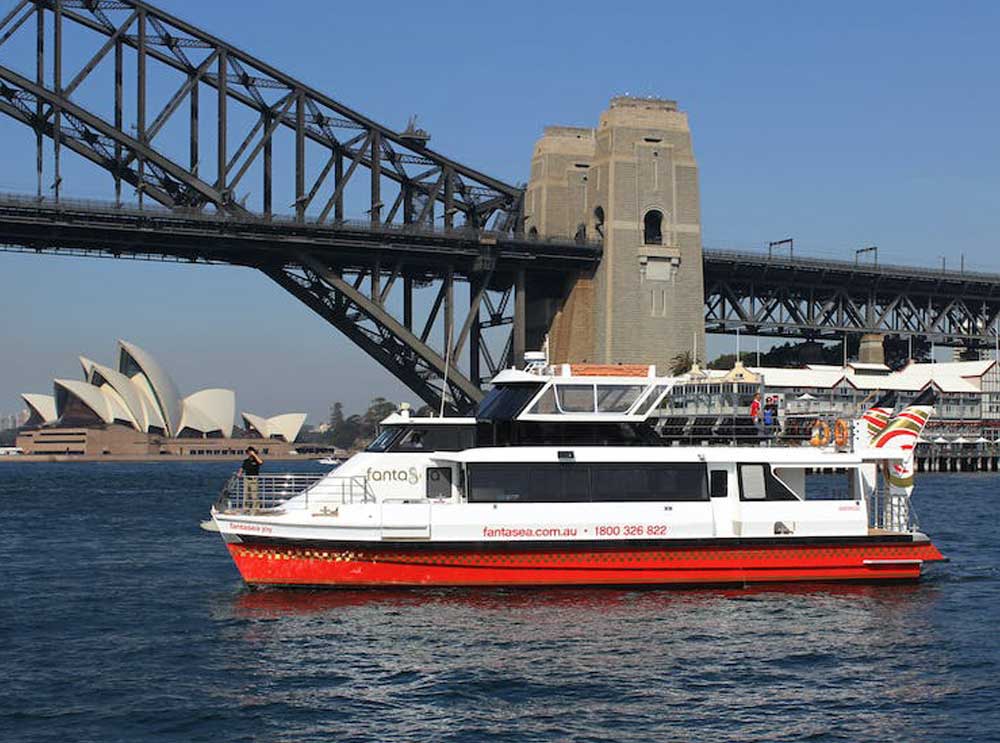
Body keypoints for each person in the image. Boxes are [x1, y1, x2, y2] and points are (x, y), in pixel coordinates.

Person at [240, 446, 264, 511]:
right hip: (247, 479)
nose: (249, 453)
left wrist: (254, 455)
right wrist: (239, 474)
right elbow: (242, 468)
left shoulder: (256, 460)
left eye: (250, 452)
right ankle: (246, 508)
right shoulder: (246, 461)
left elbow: (261, 462)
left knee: (254, 495)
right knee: (246, 494)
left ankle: (256, 508)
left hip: (254, 479)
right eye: (248, 452)